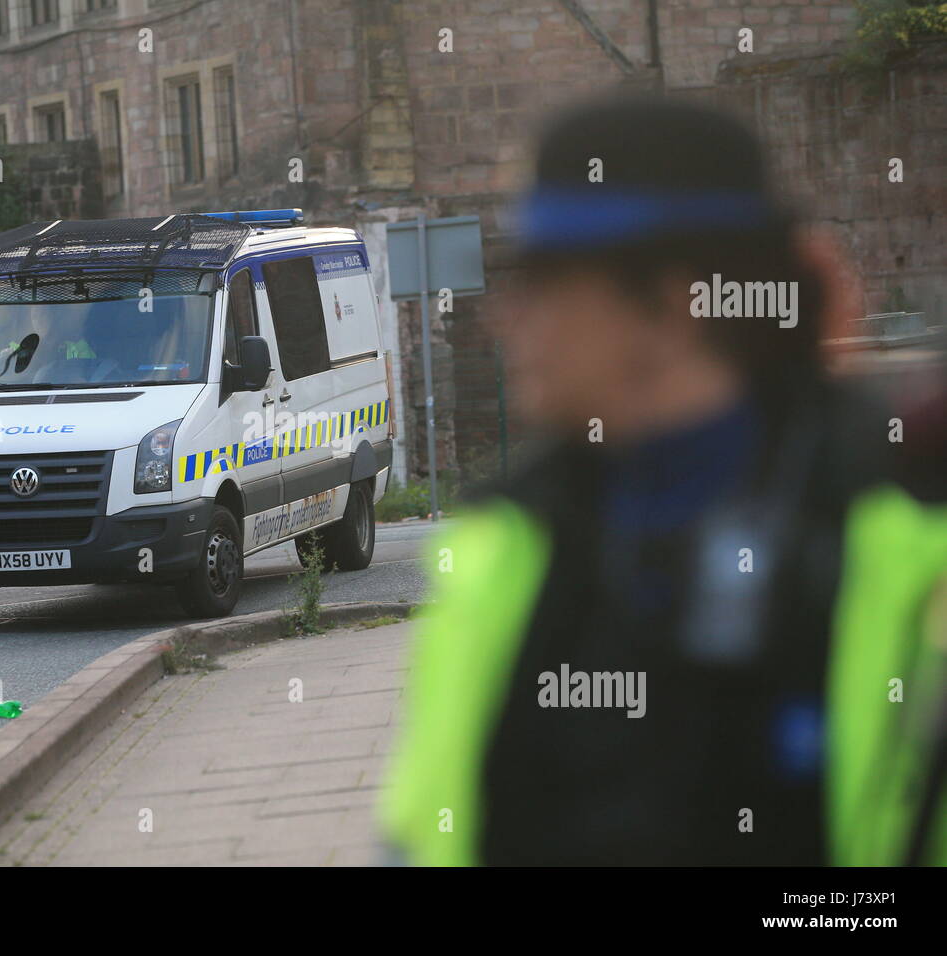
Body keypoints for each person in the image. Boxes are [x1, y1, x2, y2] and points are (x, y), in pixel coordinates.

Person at [379, 94, 947, 866]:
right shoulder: (500, 548)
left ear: (675, 303)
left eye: (543, 278)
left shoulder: (909, 541)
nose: (504, 317)